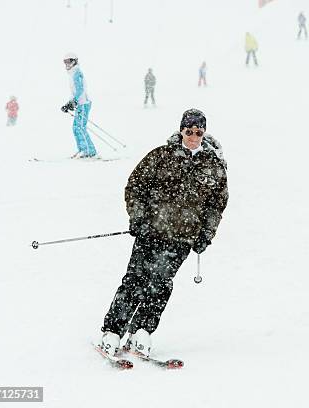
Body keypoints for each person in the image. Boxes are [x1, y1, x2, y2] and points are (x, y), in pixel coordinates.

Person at [98, 109, 229, 358]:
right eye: (188, 131)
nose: (193, 136)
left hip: (182, 239)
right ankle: (112, 331)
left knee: (160, 284)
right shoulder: (161, 155)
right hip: (151, 231)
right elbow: (135, 186)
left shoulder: (214, 167)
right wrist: (138, 218)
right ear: (181, 130)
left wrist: (206, 235)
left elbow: (217, 205)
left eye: (198, 132)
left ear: (204, 133)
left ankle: (142, 332)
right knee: (135, 280)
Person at [61, 52, 97, 158]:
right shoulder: (72, 73)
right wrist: (68, 103)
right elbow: (75, 92)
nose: (67, 64)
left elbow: (80, 89)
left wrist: (74, 101)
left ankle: (89, 151)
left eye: (69, 61)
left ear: (75, 61)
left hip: (83, 103)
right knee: (76, 127)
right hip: (80, 103)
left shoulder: (77, 73)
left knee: (79, 127)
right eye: (65, 62)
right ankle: (83, 149)